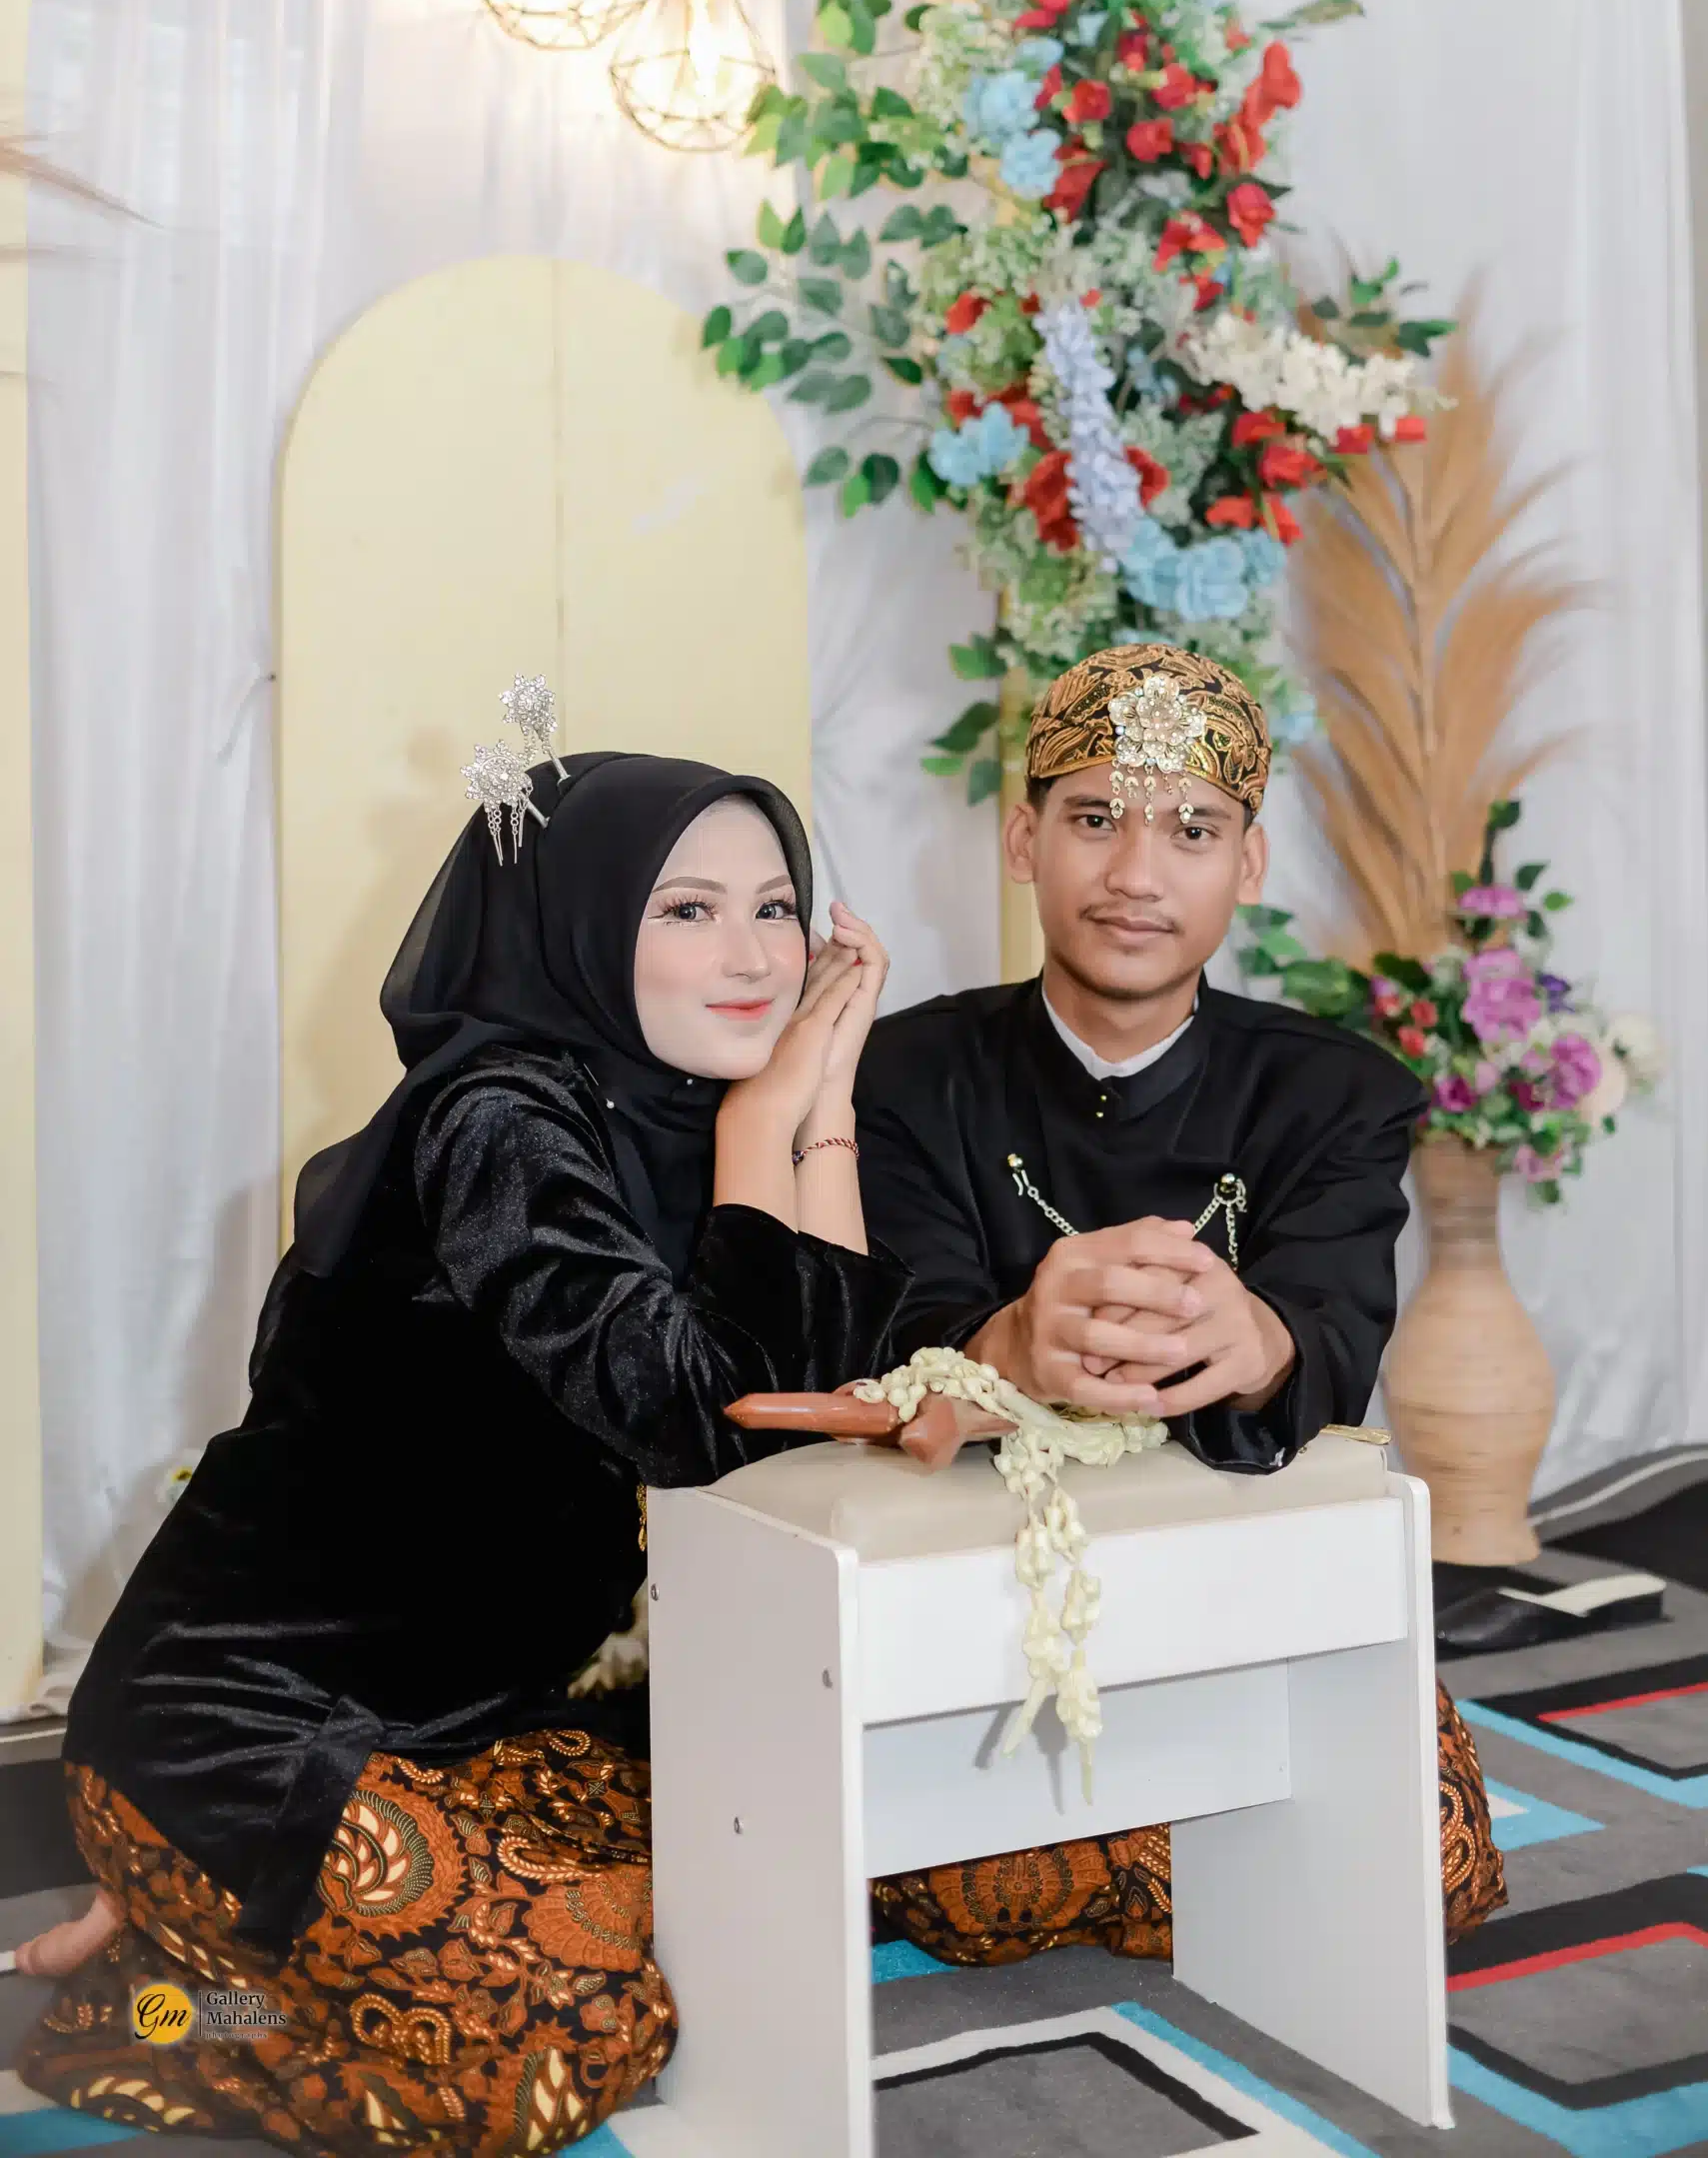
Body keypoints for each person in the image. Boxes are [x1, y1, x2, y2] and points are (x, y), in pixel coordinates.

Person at [16, 743, 903, 2156]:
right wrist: (766, 1115)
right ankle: (151, 2014)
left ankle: (231, 1948)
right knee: (568, 2036)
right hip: (242, 1736)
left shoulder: (658, 1118)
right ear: (573, 923)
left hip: (463, 1729)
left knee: (793, 1881)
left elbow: (811, 1398)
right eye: (686, 910)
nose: (753, 957)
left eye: (776, 907)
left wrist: (826, 1102)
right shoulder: (499, 1119)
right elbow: (702, 1421)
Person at [854, 642, 1507, 1963]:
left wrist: (1253, 1337)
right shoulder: (905, 1073)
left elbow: (1331, 1334)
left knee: (1425, 1872)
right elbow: (890, 1334)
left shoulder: (1333, 1091)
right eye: (1096, 820)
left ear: (1248, 864)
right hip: (982, 1588)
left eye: (1192, 831)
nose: (1138, 876)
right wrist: (1015, 1344)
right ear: (1026, 840)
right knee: (978, 1894)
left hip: (1236, 1576)